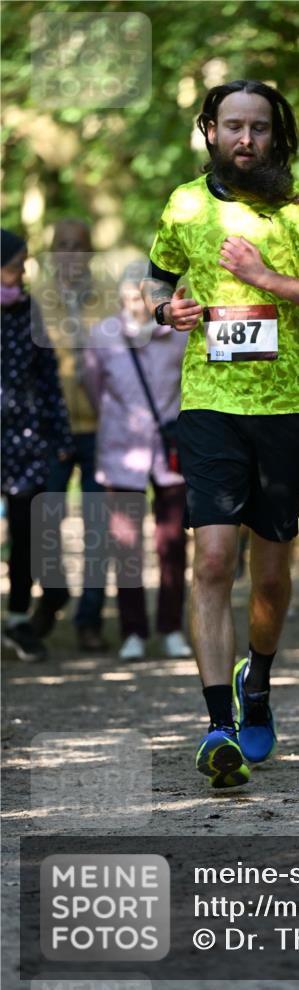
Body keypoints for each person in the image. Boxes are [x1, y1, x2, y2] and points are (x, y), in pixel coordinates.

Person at [141, 79, 299, 789]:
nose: (245, 139)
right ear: (209, 130)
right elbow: (154, 284)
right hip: (208, 404)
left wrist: (267, 278)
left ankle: (255, 682)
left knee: (269, 576)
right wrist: (164, 312)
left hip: (284, 411)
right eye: (232, 126)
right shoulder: (183, 204)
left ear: (275, 135)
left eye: (258, 128)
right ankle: (218, 727)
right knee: (212, 562)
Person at [83, 260, 192, 662]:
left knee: (173, 543)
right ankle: (133, 631)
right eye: (129, 296)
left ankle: (171, 628)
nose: (135, 304)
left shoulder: (178, 335)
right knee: (126, 547)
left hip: (171, 452)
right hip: (121, 452)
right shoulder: (103, 336)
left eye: (141, 297)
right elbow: (93, 386)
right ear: (120, 298)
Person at [29, 219, 109, 652]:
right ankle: (52, 594)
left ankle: (89, 619)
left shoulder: (109, 299)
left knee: (97, 526)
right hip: (52, 430)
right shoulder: (35, 300)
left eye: (78, 246)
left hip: (101, 428)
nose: (70, 253)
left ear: (90, 252)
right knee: (45, 521)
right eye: (62, 245)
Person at [1, 229, 73, 661]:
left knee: (27, 534)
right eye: (15, 265)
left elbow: (48, 380)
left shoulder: (29, 312)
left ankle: (17, 619)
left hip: (25, 443)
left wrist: (61, 436)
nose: (22, 274)